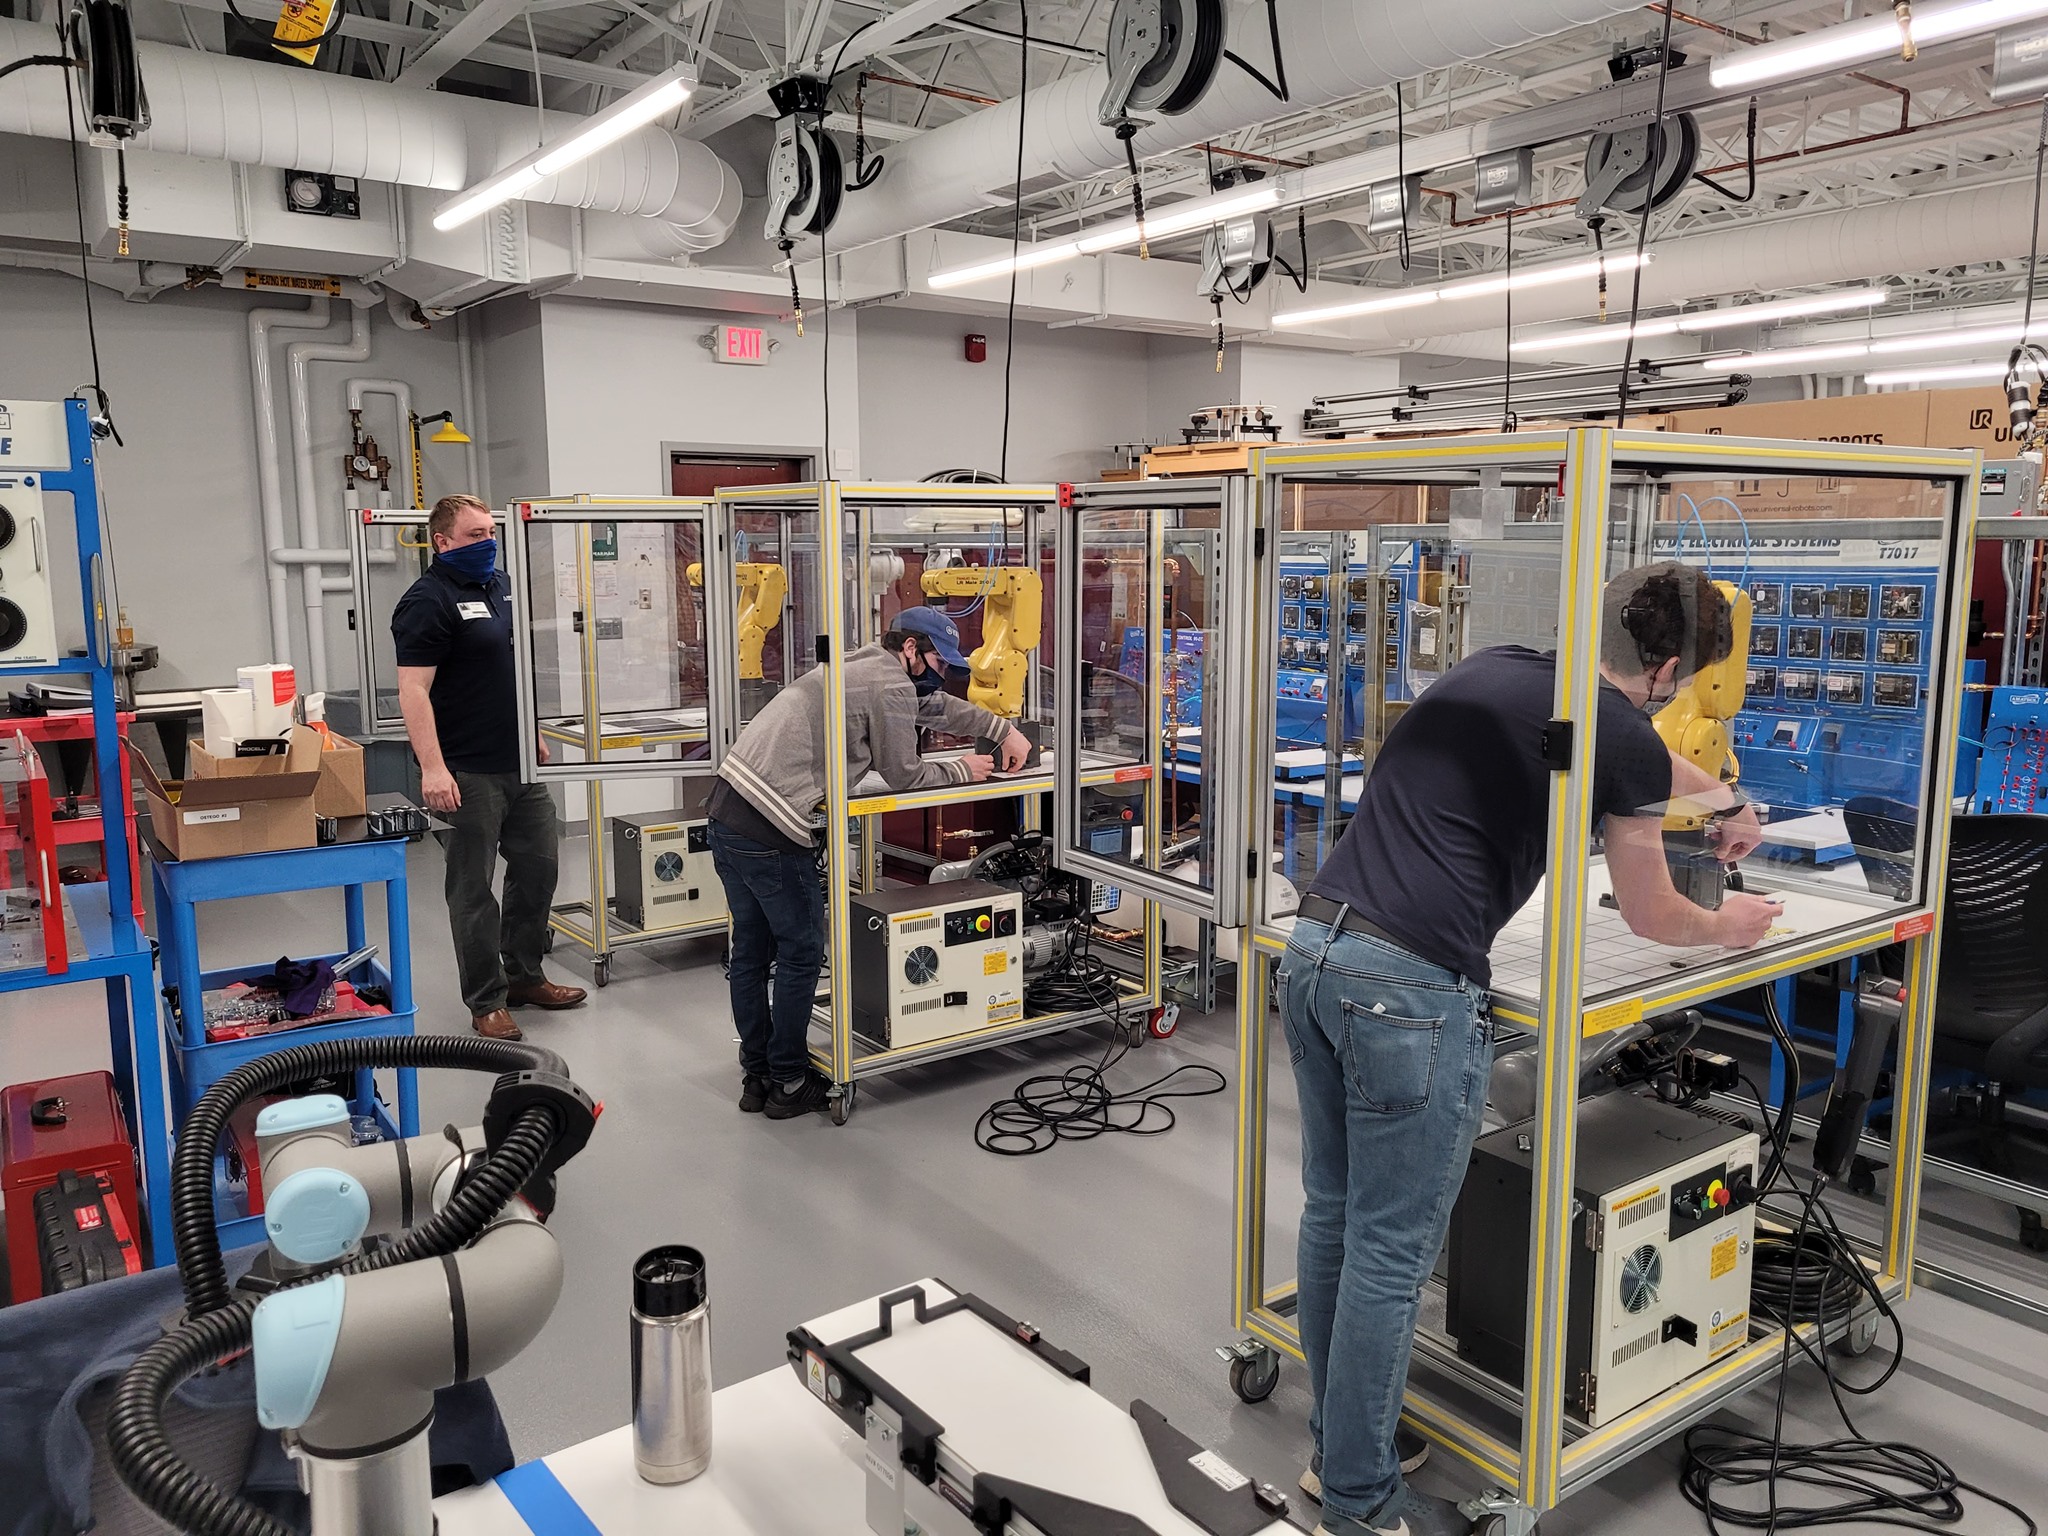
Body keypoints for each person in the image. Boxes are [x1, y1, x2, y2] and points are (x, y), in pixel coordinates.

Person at [1282, 562, 1776, 1536]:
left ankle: (1338, 1447)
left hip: (1314, 951)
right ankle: (1361, 1502)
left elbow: (1630, 759)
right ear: (1669, 668)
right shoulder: (1622, 733)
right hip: (1409, 991)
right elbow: (1651, 911)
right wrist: (1734, 927)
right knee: (1388, 1252)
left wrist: (1719, 796)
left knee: (1335, 1217)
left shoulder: (1498, 668)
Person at [708, 606, 1033, 1120]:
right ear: (910, 649)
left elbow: (932, 707)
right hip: (771, 827)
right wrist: (965, 767)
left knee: (751, 951)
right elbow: (905, 775)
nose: (941, 672)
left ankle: (760, 1075)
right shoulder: (891, 685)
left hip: (727, 813)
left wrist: (1001, 727)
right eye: (937, 661)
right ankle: (790, 1082)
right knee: (801, 952)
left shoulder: (863, 666)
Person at [394, 493, 586, 1043]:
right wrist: (433, 769)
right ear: (443, 541)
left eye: (491, 532)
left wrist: (534, 735)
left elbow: (516, 667)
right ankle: (487, 1001)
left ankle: (524, 976)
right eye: (475, 534)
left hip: (520, 763)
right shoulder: (426, 601)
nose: (488, 542)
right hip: (466, 771)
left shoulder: (501, 587)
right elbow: (413, 690)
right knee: (473, 891)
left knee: (539, 871)